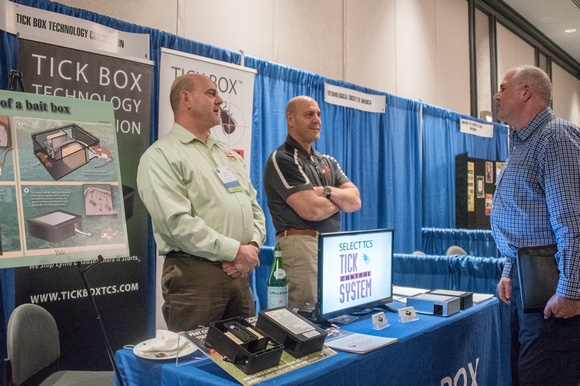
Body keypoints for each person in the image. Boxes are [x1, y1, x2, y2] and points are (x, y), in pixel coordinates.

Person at [137, 74, 266, 331]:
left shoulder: (227, 154)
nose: (220, 100)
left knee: (245, 360)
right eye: (210, 93)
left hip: (239, 274)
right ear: (186, 99)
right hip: (195, 277)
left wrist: (251, 247)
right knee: (195, 364)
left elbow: (254, 207)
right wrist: (235, 251)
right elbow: (177, 224)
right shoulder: (161, 156)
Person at [490, 65, 580, 385]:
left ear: (526, 92)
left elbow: (571, 222)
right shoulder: (521, 143)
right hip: (525, 280)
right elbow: (522, 217)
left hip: (552, 289)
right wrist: (509, 270)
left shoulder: (555, 137)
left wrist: (571, 291)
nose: (496, 94)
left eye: (503, 87)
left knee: (545, 375)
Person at [263, 96, 361, 309]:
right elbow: (311, 210)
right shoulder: (283, 159)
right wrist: (338, 200)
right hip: (301, 246)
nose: (316, 120)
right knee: (303, 321)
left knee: (332, 315)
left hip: (331, 245)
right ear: (290, 120)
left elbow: (354, 202)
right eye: (309, 115)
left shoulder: (327, 161)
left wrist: (324, 191)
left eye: (318, 114)